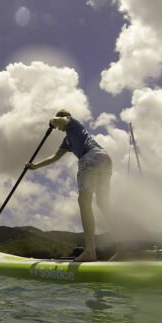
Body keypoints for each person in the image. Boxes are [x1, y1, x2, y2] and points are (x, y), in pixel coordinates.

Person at [25, 109, 115, 262]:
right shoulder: (67, 141)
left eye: (60, 124)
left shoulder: (72, 123)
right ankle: (125, 249)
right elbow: (55, 157)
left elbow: (61, 120)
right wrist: (35, 166)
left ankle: (90, 251)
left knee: (84, 202)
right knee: (102, 204)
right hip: (104, 159)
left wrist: (53, 121)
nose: (59, 129)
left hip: (90, 158)